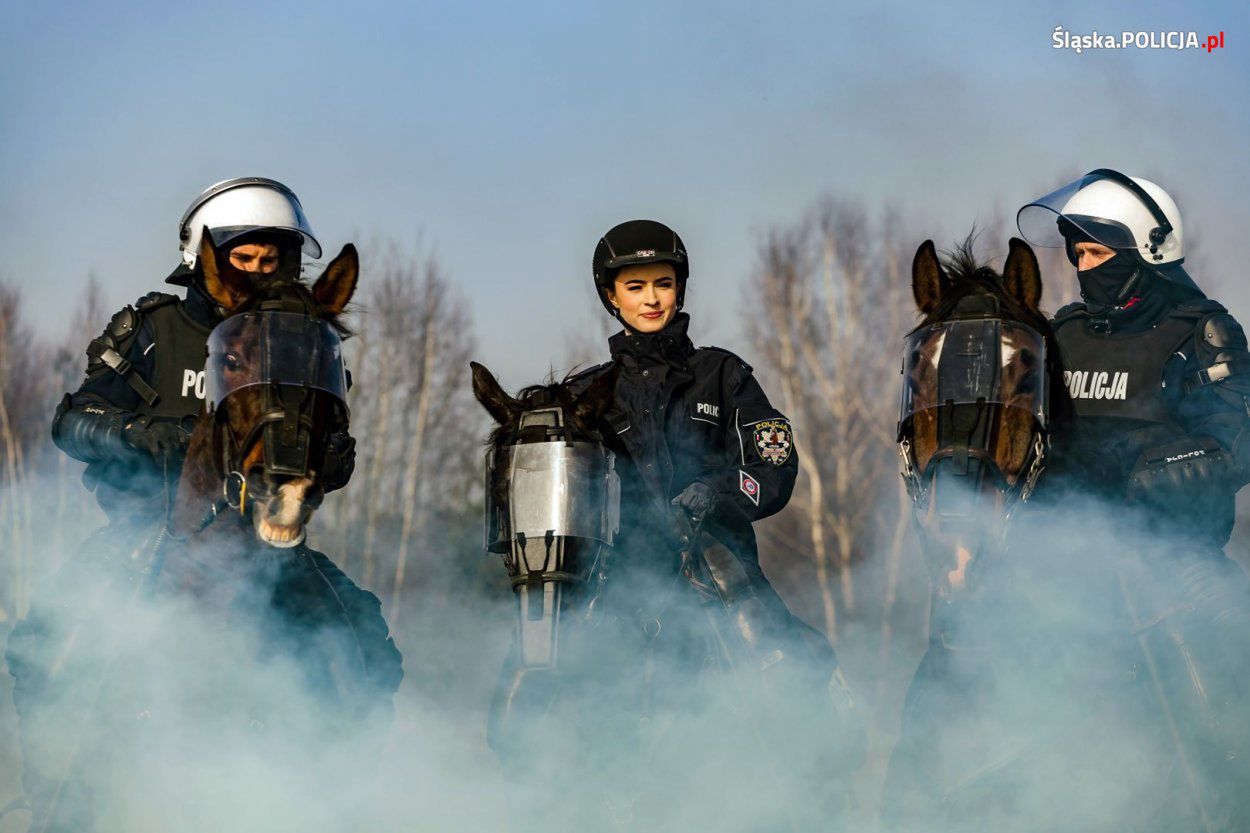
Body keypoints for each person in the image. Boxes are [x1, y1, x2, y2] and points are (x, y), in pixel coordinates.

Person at [569, 219, 864, 818]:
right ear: (611, 296)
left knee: (789, 681)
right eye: (634, 287)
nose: (651, 298)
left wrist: (717, 492)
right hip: (616, 583)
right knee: (544, 680)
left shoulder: (724, 375)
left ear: (679, 288)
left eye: (663, 283)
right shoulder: (584, 392)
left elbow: (774, 463)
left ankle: (815, 791)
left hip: (719, 573)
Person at [1018, 169, 1250, 829]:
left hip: (1174, 566)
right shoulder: (1062, 334)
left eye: (1097, 252)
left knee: (1225, 725)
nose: (1083, 266)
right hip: (1068, 571)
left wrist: (1153, 472)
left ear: (1147, 248)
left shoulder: (1200, 331)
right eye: (1077, 254)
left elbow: (1236, 439)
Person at [50, 177, 355, 528]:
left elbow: (337, 450)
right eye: (243, 258)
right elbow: (70, 424)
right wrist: (136, 431)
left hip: (261, 530)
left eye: (268, 260)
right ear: (207, 260)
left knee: (333, 571)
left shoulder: (296, 350)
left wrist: (323, 456)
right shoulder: (155, 330)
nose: (256, 271)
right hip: (142, 526)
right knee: (80, 568)